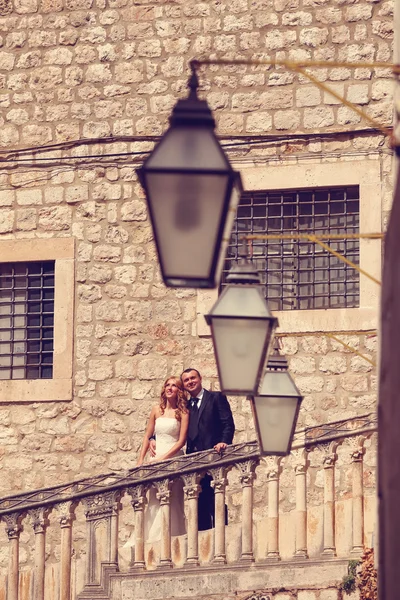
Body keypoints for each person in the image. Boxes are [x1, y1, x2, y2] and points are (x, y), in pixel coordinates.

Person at [135, 376, 189, 542]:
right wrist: (141, 460)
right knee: (154, 499)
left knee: (172, 499)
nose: (170, 388)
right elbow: (148, 435)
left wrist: (164, 458)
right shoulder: (156, 410)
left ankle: (172, 538)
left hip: (173, 458)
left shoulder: (183, 412)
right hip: (154, 457)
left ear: (179, 391)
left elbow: (181, 441)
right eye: (167, 385)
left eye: (174, 386)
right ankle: (151, 538)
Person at [181, 368, 235, 531]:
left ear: (200, 378)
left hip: (214, 456)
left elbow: (228, 424)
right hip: (193, 460)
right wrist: (153, 438)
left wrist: (224, 442)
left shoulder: (216, 397)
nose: (190, 382)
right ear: (184, 385)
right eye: (186, 380)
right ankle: (202, 543)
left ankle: (221, 539)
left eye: (193, 378)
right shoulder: (184, 406)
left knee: (216, 499)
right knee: (198, 503)